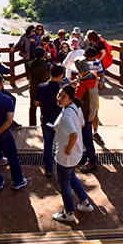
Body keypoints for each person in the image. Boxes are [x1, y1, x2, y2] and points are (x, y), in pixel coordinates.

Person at [52, 84, 95, 223]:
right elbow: (81, 124)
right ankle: (84, 203)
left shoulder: (65, 115)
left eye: (63, 97)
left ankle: (68, 212)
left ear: (70, 99)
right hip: (76, 153)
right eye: (59, 95)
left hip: (66, 156)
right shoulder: (75, 108)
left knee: (64, 184)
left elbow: (74, 134)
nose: (59, 98)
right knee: (71, 177)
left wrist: (68, 149)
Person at [36, 65, 65, 177]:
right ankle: (61, 168)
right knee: (61, 144)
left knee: (48, 144)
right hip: (60, 120)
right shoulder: (62, 89)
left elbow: (37, 103)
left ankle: (48, 169)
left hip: (46, 119)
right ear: (61, 75)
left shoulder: (41, 87)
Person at [26, 47, 51, 126]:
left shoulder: (29, 64)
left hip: (33, 88)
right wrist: (49, 59)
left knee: (32, 107)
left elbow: (27, 76)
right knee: (44, 107)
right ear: (44, 55)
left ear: (34, 55)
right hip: (44, 89)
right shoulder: (47, 65)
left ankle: (32, 123)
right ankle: (44, 123)